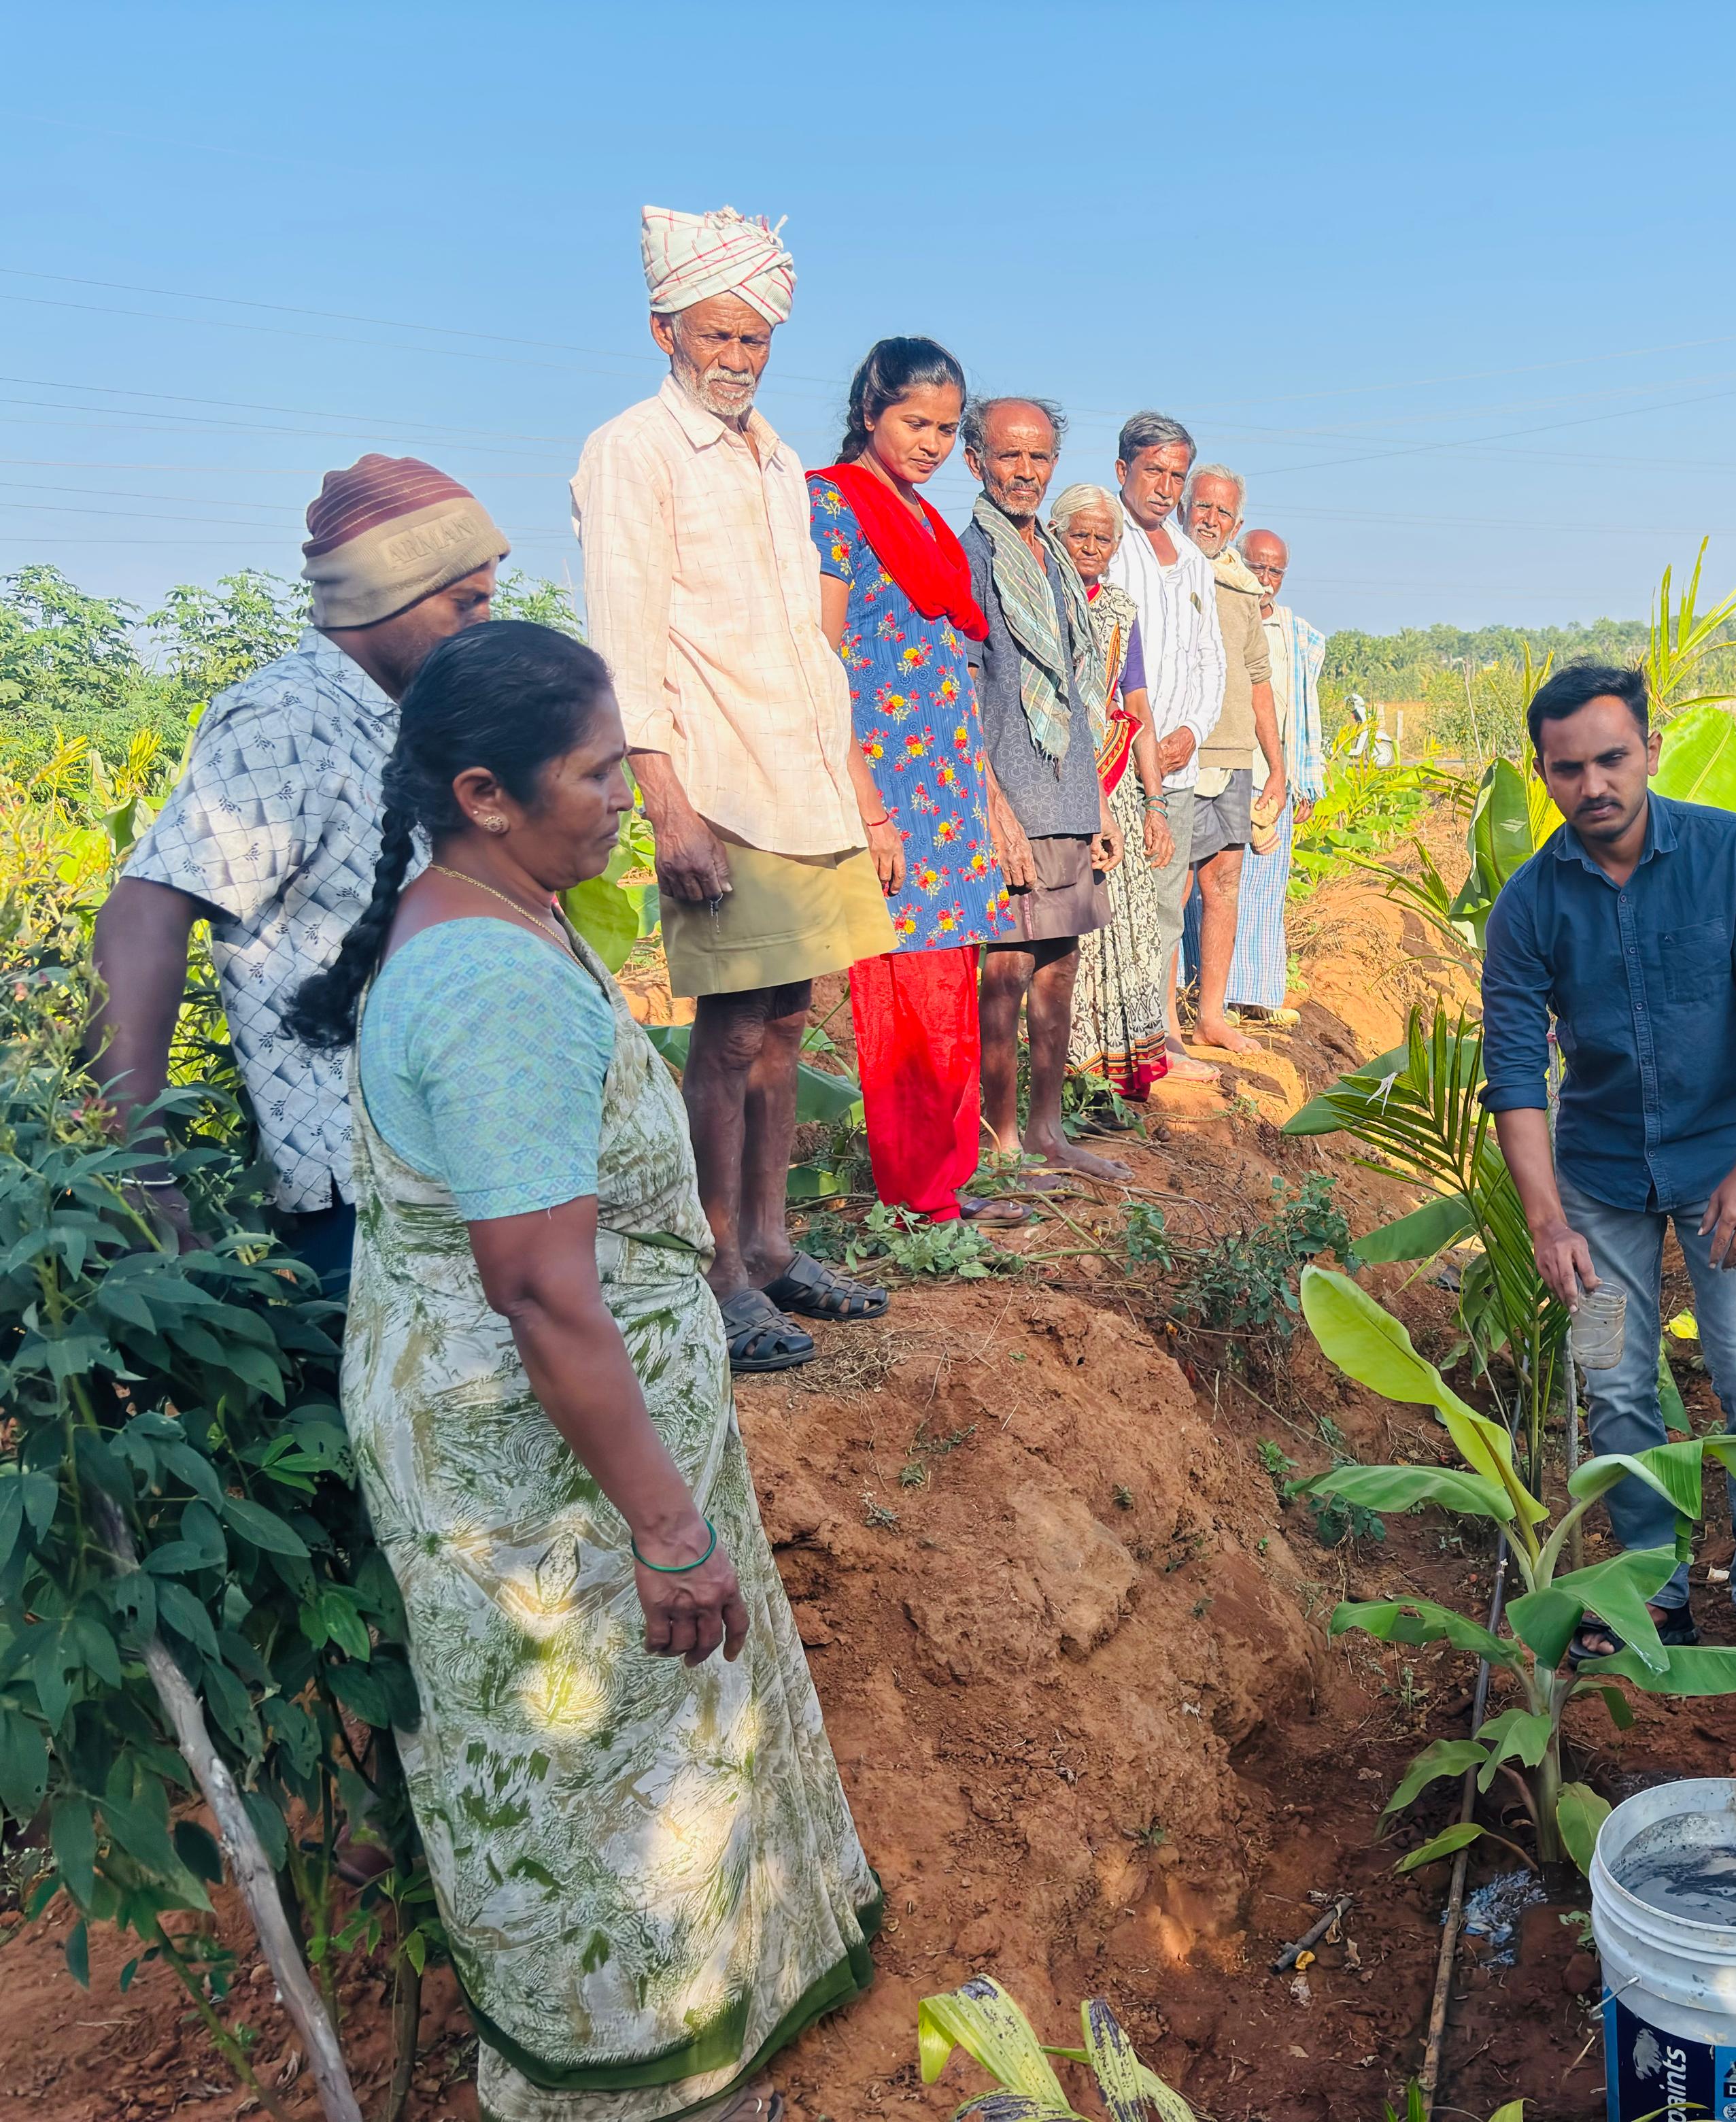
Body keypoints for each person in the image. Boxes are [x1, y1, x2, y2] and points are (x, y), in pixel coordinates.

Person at [283, 622, 880, 2122]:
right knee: (600, 1773)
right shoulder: (487, 983)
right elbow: (546, 1294)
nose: (629, 797)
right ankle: (638, 2074)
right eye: (600, 772)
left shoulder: (497, 914)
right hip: (547, 1476)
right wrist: (668, 1529)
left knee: (627, 1756)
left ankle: (685, 2031)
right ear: (486, 793)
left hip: (554, 1452)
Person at [573, 204, 891, 1373]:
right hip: (715, 780)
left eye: (755, 341)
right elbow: (623, 637)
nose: (737, 358)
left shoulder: (770, 457)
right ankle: (715, 1271)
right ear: (664, 329)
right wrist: (664, 797)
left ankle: (771, 1245)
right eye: (717, 336)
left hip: (797, 776)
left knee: (790, 1019)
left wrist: (849, 786)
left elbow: (804, 642)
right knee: (729, 1028)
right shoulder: (632, 451)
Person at [1482, 662, 1736, 1696]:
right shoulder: (1530, 903)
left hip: (1727, 1166)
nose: (1594, 784)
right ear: (1542, 774)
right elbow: (1515, 1069)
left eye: (1612, 758)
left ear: (1651, 750)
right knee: (1618, 1389)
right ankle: (1652, 1591)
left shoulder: (1730, 856)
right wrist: (1546, 1222)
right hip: (1593, 1182)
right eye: (1568, 768)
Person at [90, 453, 507, 1290]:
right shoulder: (286, 716)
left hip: (439, 1165)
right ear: (384, 592)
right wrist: (136, 1165)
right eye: (466, 602)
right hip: (355, 1187)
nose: (482, 624)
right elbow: (148, 909)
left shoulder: (406, 714)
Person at [808, 335, 1025, 1226]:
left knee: (948, 989)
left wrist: (990, 798)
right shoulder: (832, 503)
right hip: (889, 790)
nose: (932, 443)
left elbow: (956, 672)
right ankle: (914, 1196)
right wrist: (867, 806)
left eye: (944, 428)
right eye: (915, 423)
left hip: (950, 788)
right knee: (898, 996)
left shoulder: (932, 526)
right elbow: (819, 661)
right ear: (870, 412)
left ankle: (946, 1183)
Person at [957, 398, 1131, 1183]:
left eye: (1039, 458)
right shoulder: (973, 556)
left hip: (1065, 792)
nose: (1025, 472)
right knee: (1006, 966)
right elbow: (960, 686)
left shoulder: (1057, 562)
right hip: (1009, 798)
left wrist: (1095, 804)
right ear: (976, 463)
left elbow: (1078, 687)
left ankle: (1047, 1132)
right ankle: (999, 1144)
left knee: (1059, 960)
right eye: (1009, 457)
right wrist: (991, 804)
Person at [1102, 411, 1223, 1080]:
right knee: (1115, 906)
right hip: (1119, 763)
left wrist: (1189, 733)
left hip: (1179, 763)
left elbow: (1212, 662)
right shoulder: (1104, 543)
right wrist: (1147, 740)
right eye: (1153, 471)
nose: (1165, 487)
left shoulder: (1193, 563)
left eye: (1176, 475)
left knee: (1164, 902)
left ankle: (1159, 1041)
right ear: (1123, 471)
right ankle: (1116, 1046)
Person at [1049, 480, 1174, 1102]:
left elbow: (1138, 706)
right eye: (1081, 535)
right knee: (1073, 933)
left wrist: (1155, 804)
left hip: (1117, 785)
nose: (1092, 547)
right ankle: (1071, 1077)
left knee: (1126, 926)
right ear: (1056, 534)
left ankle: (1119, 1074)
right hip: (1055, 786)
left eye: (1104, 538)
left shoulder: (1120, 610)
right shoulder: (1040, 598)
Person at [1170, 463, 1287, 1052]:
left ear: (1236, 523)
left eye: (1222, 512)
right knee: (1174, 889)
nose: (1210, 519)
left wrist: (1278, 764)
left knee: (1225, 883)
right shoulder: (1163, 568)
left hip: (1234, 755)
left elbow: (1258, 680)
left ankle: (1210, 1016)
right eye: (1203, 507)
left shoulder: (1242, 587)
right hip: (1178, 755)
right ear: (1184, 506)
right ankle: (1163, 1025)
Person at [1222, 526, 1325, 1022]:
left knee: (1265, 885)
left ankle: (1256, 994)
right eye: (1256, 566)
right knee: (1218, 884)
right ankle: (1210, 992)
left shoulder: (1296, 635)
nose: (1265, 578)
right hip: (1222, 771)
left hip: (1273, 779)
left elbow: (1305, 712)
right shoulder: (1222, 615)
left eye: (1275, 570)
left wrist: (1303, 776)